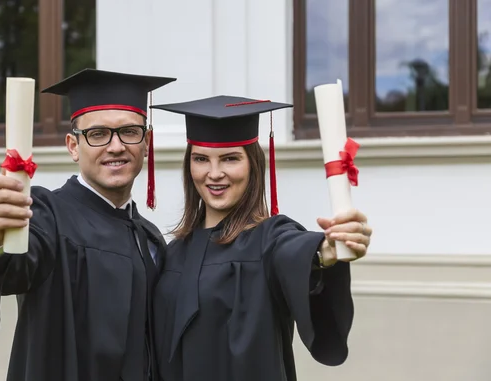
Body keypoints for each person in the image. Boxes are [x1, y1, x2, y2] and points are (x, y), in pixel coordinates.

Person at [0, 68, 177, 381]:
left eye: (129, 132)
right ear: (73, 146)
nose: (115, 146)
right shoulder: (46, 215)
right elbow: (18, 265)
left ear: (146, 142)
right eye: (97, 134)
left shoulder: (150, 241)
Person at [149, 95, 373, 381]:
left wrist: (326, 251)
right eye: (201, 159)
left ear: (252, 165)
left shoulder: (268, 240)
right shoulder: (173, 253)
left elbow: (295, 251)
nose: (214, 173)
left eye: (230, 158)